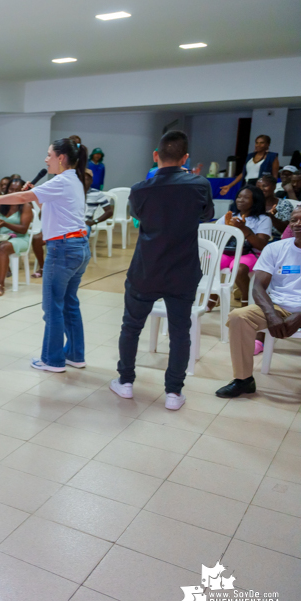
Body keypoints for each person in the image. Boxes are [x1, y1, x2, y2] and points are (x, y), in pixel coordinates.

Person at [110, 131, 214, 410]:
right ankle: (173, 393)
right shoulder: (200, 184)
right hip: (183, 270)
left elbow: (139, 218)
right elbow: (206, 215)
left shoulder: (140, 189)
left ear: (155, 156)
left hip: (147, 269)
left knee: (131, 327)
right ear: (185, 158)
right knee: (181, 332)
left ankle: (126, 382)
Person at [0, 138, 91, 372]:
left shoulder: (61, 180)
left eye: (49, 155)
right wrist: (35, 194)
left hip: (63, 250)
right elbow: (51, 209)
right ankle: (74, 355)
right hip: (77, 246)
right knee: (69, 304)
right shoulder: (73, 180)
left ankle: (52, 359)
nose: (46, 159)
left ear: (61, 158)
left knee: (53, 307)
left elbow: (20, 199)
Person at [217, 207, 301, 397]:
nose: (298, 224)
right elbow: (257, 287)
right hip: (280, 307)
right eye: (294, 220)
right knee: (239, 316)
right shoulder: (276, 248)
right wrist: (271, 314)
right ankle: (243, 379)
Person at [217, 185, 272, 308]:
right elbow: (217, 237)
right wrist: (227, 227)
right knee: (210, 261)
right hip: (228, 252)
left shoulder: (263, 219)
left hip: (251, 253)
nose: (240, 200)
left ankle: (246, 297)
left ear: (255, 201)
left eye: (246, 198)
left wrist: (243, 229)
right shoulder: (229, 216)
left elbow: (262, 245)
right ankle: (214, 295)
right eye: (239, 197)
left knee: (238, 268)